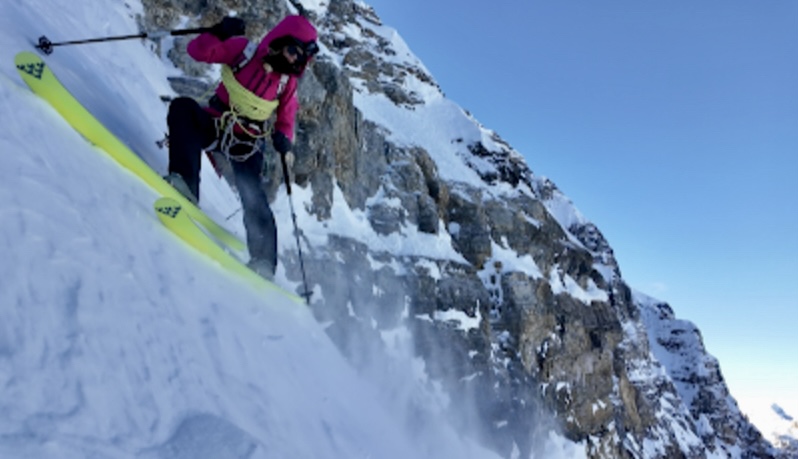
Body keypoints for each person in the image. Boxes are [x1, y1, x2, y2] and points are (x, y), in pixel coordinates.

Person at [165, 15, 319, 280]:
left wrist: (284, 135)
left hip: (246, 142)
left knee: (253, 194)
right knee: (183, 109)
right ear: (280, 41)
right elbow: (198, 52)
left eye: (301, 56)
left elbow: (287, 113)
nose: (295, 59)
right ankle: (184, 185)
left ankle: (263, 261)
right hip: (216, 122)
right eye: (293, 50)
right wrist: (218, 34)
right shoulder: (243, 52)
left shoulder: (287, 83)